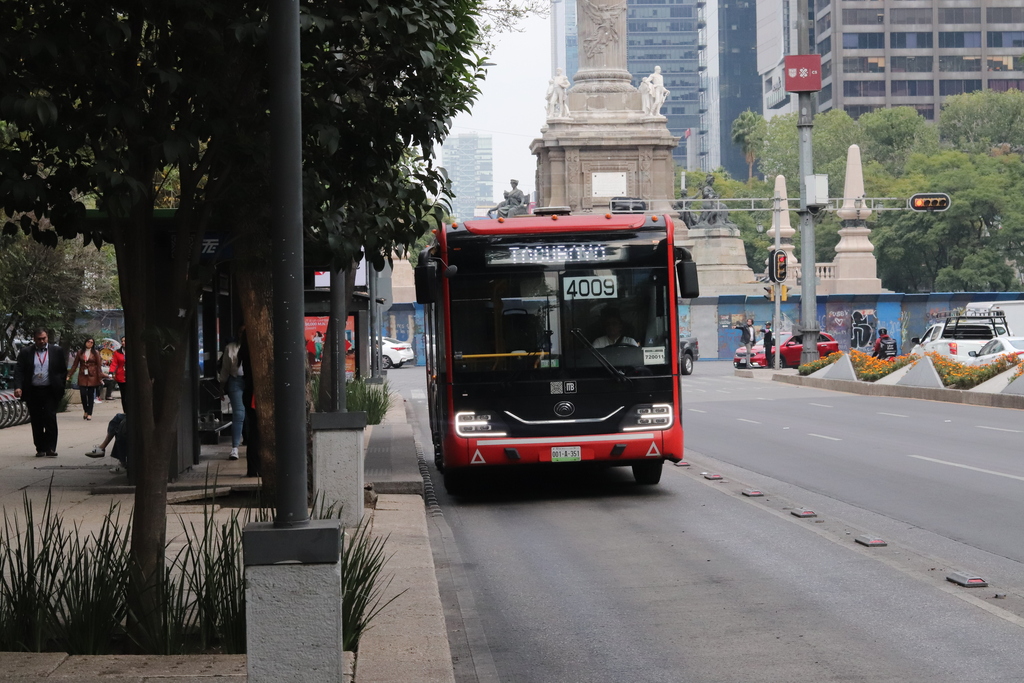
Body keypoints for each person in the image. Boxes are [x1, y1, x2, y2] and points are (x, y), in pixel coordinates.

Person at [13, 328, 68, 457]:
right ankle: (40, 447)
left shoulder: (56, 351)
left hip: (50, 390)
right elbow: (19, 370)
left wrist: (60, 385)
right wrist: (18, 387)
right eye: (39, 339)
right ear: (34, 339)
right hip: (33, 390)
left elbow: (62, 370)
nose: (42, 341)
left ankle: (50, 448)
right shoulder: (26, 352)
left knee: (50, 418)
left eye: (44, 338)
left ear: (47, 337)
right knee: (36, 420)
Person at [218, 337, 245, 460]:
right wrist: (221, 387)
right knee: (239, 414)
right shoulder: (230, 348)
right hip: (236, 380)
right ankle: (235, 448)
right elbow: (225, 369)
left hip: (251, 381)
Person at [67, 337, 103, 420]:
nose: (90, 343)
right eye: (88, 342)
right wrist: (69, 374)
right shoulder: (80, 352)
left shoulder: (95, 353)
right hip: (83, 374)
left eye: (91, 342)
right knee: (83, 394)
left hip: (92, 375)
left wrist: (99, 376)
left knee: (90, 395)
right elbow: (75, 365)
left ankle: (90, 413)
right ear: (85, 342)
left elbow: (99, 366)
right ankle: (85, 410)